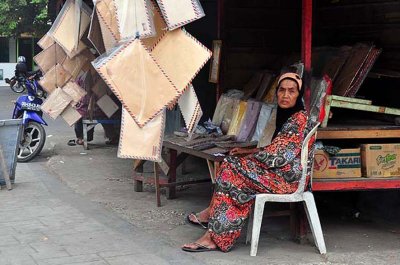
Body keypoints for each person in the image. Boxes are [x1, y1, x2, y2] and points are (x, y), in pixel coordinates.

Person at [182, 72, 314, 252]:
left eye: (291, 91)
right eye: (282, 90)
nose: (285, 95)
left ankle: (213, 231)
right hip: (279, 173)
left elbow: (279, 155)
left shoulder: (298, 120)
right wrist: (248, 151)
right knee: (231, 169)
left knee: (231, 167)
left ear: (298, 95)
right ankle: (214, 232)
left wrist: (248, 158)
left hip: (287, 180)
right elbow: (276, 148)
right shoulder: (288, 115)